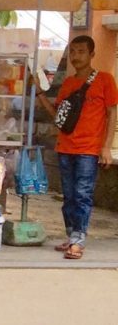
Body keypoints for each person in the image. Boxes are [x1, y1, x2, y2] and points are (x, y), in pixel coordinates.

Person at [36, 35, 117, 260]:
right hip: (65, 147)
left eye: (81, 51)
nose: (75, 56)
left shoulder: (105, 80)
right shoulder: (69, 83)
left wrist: (106, 147)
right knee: (69, 196)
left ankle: (78, 240)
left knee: (82, 194)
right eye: (72, 52)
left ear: (91, 55)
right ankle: (72, 235)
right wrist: (40, 93)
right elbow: (58, 117)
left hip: (89, 149)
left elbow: (112, 113)